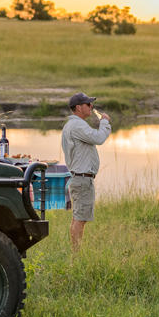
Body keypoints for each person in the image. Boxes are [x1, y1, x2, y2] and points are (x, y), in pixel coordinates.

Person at [60, 92, 111, 251]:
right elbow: (99, 138)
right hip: (82, 179)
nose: (91, 106)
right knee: (80, 219)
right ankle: (76, 256)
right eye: (88, 104)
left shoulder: (74, 125)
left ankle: (76, 254)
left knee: (78, 218)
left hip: (80, 178)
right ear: (78, 107)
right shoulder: (77, 125)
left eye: (91, 104)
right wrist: (104, 123)